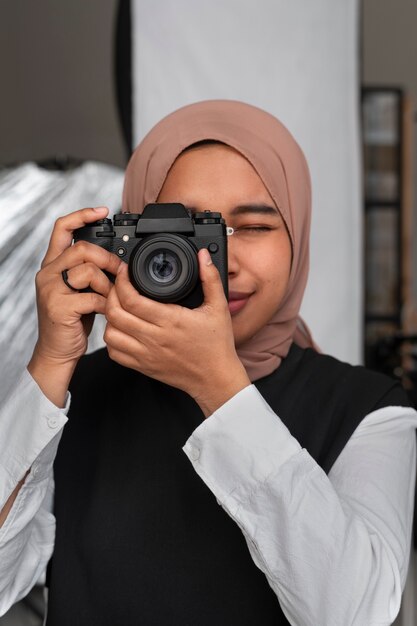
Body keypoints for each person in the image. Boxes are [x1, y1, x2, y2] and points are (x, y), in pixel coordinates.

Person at [0, 100, 416, 626]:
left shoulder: (370, 410)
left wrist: (219, 387)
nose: (219, 262)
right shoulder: (72, 390)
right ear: (126, 240)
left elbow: (355, 615)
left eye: (255, 227)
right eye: (189, 230)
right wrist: (51, 362)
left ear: (298, 238)